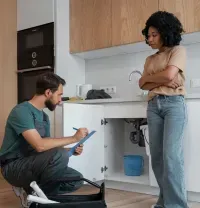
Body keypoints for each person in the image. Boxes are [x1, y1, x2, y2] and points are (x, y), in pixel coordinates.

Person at [0, 72, 88, 207]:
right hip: (13, 167)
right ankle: (41, 202)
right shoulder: (21, 111)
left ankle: (34, 195)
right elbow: (39, 146)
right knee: (60, 155)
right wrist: (73, 138)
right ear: (48, 92)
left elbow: (47, 149)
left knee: (76, 179)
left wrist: (71, 149)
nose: (60, 100)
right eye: (59, 95)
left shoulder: (44, 117)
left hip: (33, 162)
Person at [139, 11, 188, 208]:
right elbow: (142, 84)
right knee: (157, 159)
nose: (149, 39)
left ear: (166, 32)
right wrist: (161, 78)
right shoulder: (150, 59)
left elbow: (167, 76)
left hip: (174, 104)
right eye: (148, 35)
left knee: (171, 156)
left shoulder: (178, 51)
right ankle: (164, 201)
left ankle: (176, 205)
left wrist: (152, 78)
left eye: (154, 35)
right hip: (153, 106)